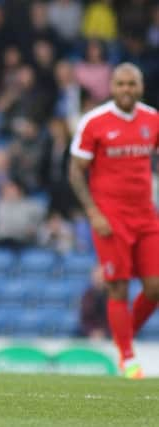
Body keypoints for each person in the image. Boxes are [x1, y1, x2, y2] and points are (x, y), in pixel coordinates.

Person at [69, 63, 159, 379]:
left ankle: (123, 334)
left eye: (131, 84)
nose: (126, 90)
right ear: (112, 87)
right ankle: (127, 357)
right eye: (120, 84)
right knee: (118, 286)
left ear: (141, 86)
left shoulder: (152, 119)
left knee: (155, 287)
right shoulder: (95, 122)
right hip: (110, 218)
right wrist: (93, 213)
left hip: (146, 216)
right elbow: (75, 169)